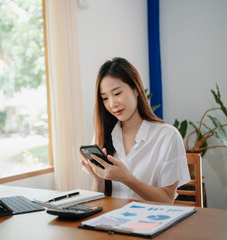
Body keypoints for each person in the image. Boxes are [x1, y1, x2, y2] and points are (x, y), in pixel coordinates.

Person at [80, 57, 190, 204]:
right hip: (111, 222)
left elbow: (166, 199)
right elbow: (97, 204)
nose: (112, 104)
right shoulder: (103, 135)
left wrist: (127, 179)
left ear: (136, 89)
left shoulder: (168, 136)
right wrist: (98, 180)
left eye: (117, 93)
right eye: (105, 98)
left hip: (151, 222)